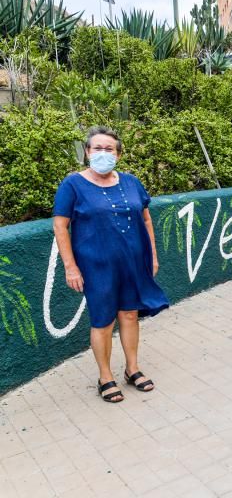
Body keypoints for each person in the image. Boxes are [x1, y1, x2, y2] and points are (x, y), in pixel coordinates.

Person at [53, 126, 169, 403]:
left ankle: (132, 369)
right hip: (96, 267)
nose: (103, 153)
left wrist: (151, 256)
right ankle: (105, 376)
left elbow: (147, 219)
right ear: (87, 152)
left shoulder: (131, 182)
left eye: (110, 149)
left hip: (132, 263)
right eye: (97, 148)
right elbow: (60, 226)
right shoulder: (72, 185)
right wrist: (71, 267)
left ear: (118, 154)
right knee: (103, 321)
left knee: (129, 315)